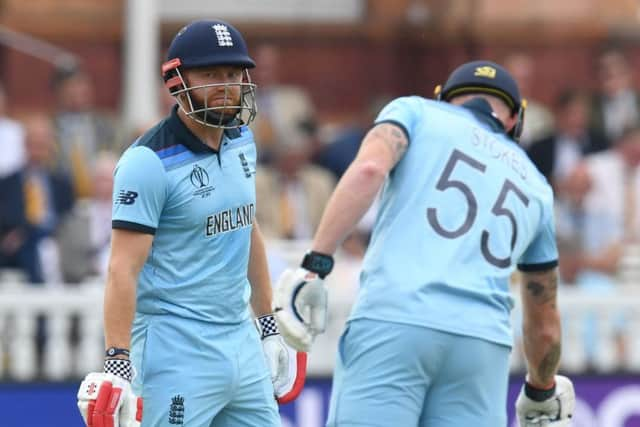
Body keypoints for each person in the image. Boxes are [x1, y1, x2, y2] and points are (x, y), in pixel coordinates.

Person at [274, 60, 575, 426]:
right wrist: (541, 391)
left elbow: (369, 169)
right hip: (481, 346)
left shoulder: (416, 112)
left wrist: (315, 264)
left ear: (445, 99)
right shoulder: (537, 186)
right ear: (515, 120)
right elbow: (544, 320)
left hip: (395, 319)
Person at [77, 19, 303, 427]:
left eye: (233, 73)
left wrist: (267, 326)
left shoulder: (242, 139)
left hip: (240, 341)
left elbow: (247, 231)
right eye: (211, 74)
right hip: (174, 348)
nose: (226, 84)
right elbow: (121, 269)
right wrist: (118, 362)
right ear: (177, 81)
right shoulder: (147, 162)